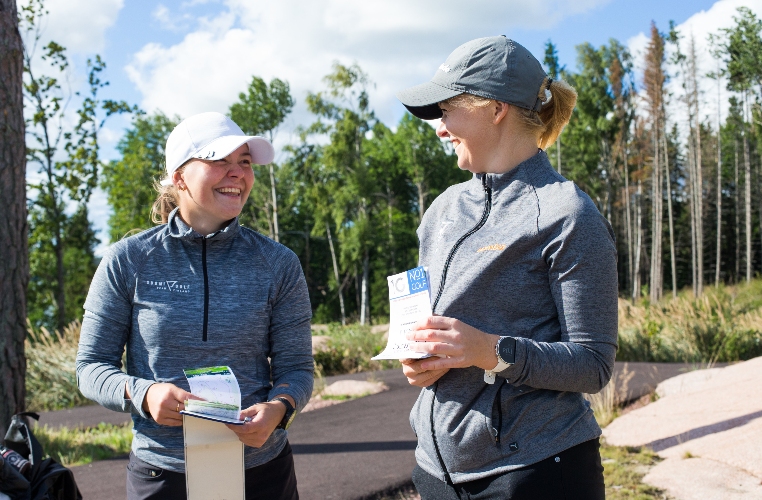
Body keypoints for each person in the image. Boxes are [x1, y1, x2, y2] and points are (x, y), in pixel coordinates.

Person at [395, 36, 618, 499]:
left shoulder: (566, 213)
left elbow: (593, 365)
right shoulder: (441, 211)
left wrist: (489, 350)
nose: (439, 127)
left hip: (534, 473)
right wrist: (417, 357)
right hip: (436, 473)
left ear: (495, 108)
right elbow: (428, 321)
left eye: (447, 108)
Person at [75, 112, 313, 500]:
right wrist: (143, 394)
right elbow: (90, 367)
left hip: (261, 470)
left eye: (245, 163)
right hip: (162, 473)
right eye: (220, 161)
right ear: (179, 176)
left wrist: (279, 408)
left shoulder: (278, 263)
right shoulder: (128, 260)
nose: (237, 174)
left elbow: (297, 368)